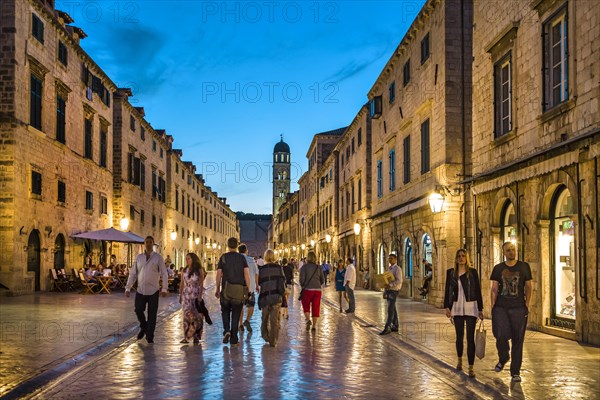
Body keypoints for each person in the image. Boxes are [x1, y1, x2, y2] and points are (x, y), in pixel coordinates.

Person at [490, 242, 532, 383]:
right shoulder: (498, 268)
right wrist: (493, 305)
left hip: (519, 307)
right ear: (504, 253)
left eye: (513, 249)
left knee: (518, 339)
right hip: (501, 307)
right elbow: (494, 289)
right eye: (508, 250)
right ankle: (504, 357)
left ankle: (515, 372)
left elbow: (529, 286)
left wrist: (527, 304)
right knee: (500, 334)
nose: (511, 252)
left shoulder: (524, 266)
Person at [443, 249, 484, 378]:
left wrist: (480, 309)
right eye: (458, 256)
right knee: (459, 336)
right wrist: (447, 307)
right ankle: (460, 360)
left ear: (467, 258)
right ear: (456, 258)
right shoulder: (451, 273)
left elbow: (478, 290)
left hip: (471, 307)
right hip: (457, 307)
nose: (461, 258)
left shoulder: (472, 272)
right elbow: (447, 290)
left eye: (463, 256)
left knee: (470, 338)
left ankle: (471, 367)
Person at [125, 236, 168, 344]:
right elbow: (133, 273)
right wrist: (128, 287)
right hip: (140, 290)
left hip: (153, 290)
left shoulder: (158, 258)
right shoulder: (139, 258)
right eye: (146, 242)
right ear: (144, 243)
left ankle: (150, 336)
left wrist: (165, 288)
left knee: (152, 314)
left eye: (150, 242)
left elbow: (164, 273)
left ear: (153, 244)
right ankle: (144, 327)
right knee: (138, 309)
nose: (148, 244)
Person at [215, 237, 250, 347]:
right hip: (238, 290)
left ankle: (226, 331)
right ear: (236, 245)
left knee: (225, 311)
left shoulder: (223, 257)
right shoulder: (242, 258)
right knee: (236, 314)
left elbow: (219, 274)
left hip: (226, 289)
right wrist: (249, 289)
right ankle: (234, 339)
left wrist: (217, 288)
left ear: (228, 245)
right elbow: (246, 274)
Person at [258, 249, 286, 347]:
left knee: (264, 318)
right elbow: (283, 280)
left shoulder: (262, 269)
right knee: (275, 320)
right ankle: (273, 340)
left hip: (265, 296)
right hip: (276, 296)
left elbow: (259, 282)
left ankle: (265, 336)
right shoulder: (279, 268)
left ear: (265, 257)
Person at [178, 253, 206, 344]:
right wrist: (180, 295)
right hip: (186, 295)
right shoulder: (184, 270)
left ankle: (196, 336)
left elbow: (201, 284)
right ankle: (186, 336)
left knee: (197, 316)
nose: (187, 260)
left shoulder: (199, 270)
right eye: (186, 259)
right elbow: (182, 283)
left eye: (189, 258)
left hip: (196, 293)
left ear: (193, 259)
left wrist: (200, 296)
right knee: (187, 316)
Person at [299, 251, 325, 331]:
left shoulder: (304, 267)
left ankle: (308, 320)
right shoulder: (319, 267)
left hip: (307, 289)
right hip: (317, 290)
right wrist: (317, 284)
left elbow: (301, 280)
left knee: (306, 305)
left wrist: (303, 285)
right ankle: (314, 326)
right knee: (316, 307)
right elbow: (322, 280)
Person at [380, 253, 403, 335]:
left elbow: (399, 280)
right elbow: (386, 280)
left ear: (395, 259)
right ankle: (395, 325)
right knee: (393, 309)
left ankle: (387, 327)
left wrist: (390, 285)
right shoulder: (389, 269)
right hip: (389, 290)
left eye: (391, 258)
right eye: (389, 259)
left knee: (390, 309)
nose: (390, 260)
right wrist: (385, 291)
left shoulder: (398, 269)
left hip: (394, 291)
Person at [238, 243, 259, 333]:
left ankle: (240, 324)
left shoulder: (237, 260)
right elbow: (256, 274)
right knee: (251, 305)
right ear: (246, 251)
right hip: (250, 287)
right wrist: (257, 285)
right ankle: (247, 320)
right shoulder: (251, 260)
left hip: (239, 287)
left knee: (240, 306)